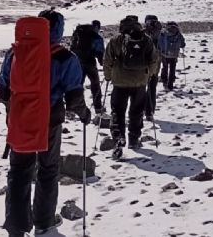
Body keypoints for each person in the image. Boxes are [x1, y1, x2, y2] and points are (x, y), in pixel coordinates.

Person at [0, 10, 92, 236]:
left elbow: (1, 89)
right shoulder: (65, 57)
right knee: (48, 170)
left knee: (18, 171)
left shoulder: (15, 52)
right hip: (49, 121)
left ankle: (16, 228)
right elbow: (74, 97)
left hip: (20, 121)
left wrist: (16, 108)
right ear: (57, 29)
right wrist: (84, 114)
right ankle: (44, 223)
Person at [103, 16, 159, 153]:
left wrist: (108, 76)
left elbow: (107, 60)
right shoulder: (146, 39)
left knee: (117, 111)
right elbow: (153, 60)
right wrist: (149, 75)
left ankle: (118, 138)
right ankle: (134, 139)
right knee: (136, 112)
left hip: (120, 82)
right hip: (140, 82)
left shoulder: (116, 40)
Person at [70, 19, 105, 114]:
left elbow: (72, 47)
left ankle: (76, 106)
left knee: (78, 85)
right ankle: (98, 107)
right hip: (90, 63)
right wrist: (103, 63)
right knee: (95, 84)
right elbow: (100, 53)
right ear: (97, 27)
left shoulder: (79, 33)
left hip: (78, 63)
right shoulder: (96, 37)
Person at [143, 14, 163, 121]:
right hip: (143, 65)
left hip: (154, 66)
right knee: (142, 89)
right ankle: (143, 110)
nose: (150, 24)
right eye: (148, 22)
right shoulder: (142, 33)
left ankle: (149, 112)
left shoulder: (160, 34)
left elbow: (162, 47)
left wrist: (158, 32)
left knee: (151, 88)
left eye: (153, 22)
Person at [159, 21, 186, 90]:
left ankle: (164, 81)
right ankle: (170, 84)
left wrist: (160, 49)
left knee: (165, 67)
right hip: (174, 54)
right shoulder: (178, 33)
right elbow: (182, 44)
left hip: (165, 54)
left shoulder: (163, 33)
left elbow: (160, 42)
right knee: (172, 69)